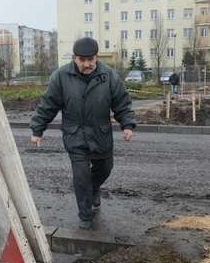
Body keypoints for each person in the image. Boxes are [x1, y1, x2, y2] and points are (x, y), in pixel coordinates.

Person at [30, 37, 136, 229]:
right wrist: (38, 129)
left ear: (96, 57)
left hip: (101, 134)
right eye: (82, 60)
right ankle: (85, 215)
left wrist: (127, 125)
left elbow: (122, 102)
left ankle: (94, 188)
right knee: (81, 177)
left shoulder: (109, 75)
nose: (87, 64)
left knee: (105, 168)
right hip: (75, 135)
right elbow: (48, 105)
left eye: (91, 60)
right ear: (74, 58)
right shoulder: (61, 77)